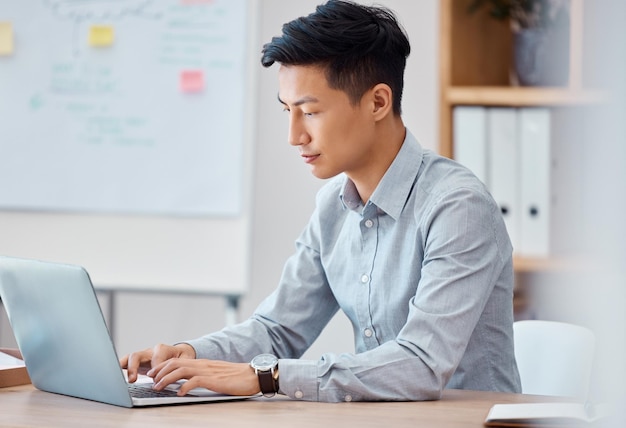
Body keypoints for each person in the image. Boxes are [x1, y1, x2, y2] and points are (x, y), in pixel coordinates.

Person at [121, 0, 521, 402]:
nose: (294, 136)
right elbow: (278, 328)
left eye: (309, 112)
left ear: (378, 102)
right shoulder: (333, 206)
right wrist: (188, 355)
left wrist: (269, 376)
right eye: (287, 112)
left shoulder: (457, 207)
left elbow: (421, 364)